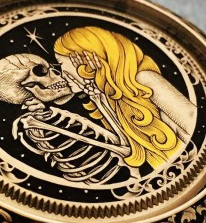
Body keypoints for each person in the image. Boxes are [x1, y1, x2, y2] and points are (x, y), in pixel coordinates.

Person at [54, 26, 196, 170]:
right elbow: (129, 146)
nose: (62, 74)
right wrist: (98, 100)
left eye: (60, 63)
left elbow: (192, 124)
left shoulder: (145, 80)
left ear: (87, 59)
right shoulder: (107, 99)